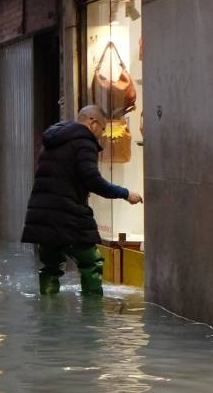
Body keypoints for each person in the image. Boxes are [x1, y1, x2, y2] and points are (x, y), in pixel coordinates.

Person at [20, 105, 143, 296]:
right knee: (91, 263)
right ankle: (93, 319)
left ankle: (48, 317)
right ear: (93, 123)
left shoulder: (53, 140)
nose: (102, 135)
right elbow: (92, 180)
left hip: (42, 216)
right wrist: (125, 193)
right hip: (69, 216)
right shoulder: (84, 141)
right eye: (103, 129)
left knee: (50, 268)